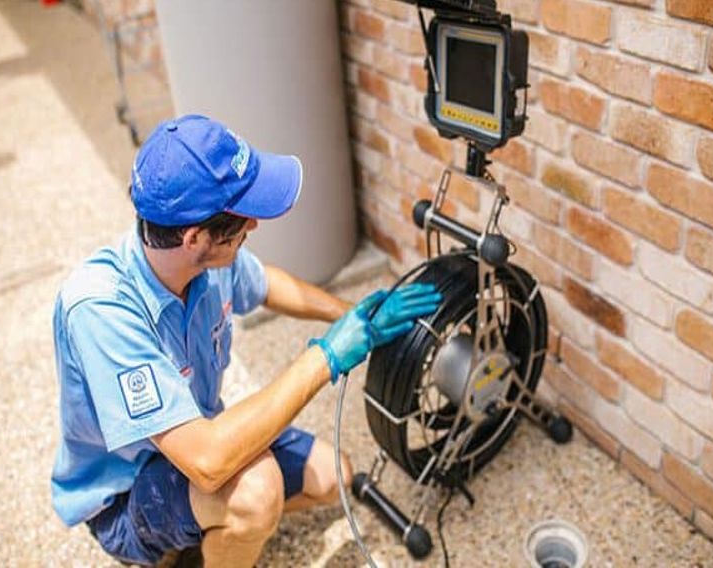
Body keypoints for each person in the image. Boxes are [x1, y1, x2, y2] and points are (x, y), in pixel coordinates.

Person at [51, 114, 442, 567]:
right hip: (126, 490)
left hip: (196, 432)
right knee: (256, 493)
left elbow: (267, 284)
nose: (254, 226)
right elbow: (209, 460)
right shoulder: (101, 311)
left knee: (333, 477)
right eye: (243, 217)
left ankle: (203, 535)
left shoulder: (202, 261)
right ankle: (183, 538)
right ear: (195, 237)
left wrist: (355, 318)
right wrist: (329, 353)